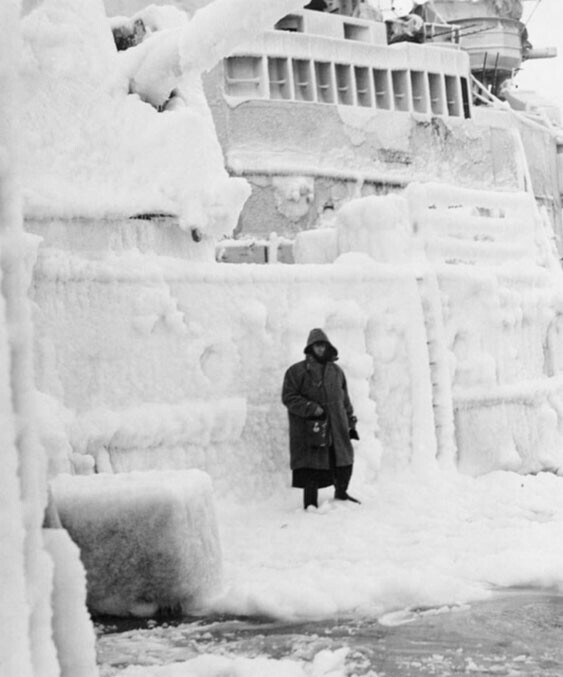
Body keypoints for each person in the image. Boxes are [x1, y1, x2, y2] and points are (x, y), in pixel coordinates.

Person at [282, 328, 360, 510]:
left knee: (343, 459)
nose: (320, 349)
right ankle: (310, 503)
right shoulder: (296, 372)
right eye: (317, 346)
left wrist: (351, 423)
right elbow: (289, 397)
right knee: (312, 465)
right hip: (311, 428)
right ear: (310, 347)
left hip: (337, 426)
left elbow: (345, 400)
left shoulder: (337, 371)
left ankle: (341, 493)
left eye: (323, 346)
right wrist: (312, 408)